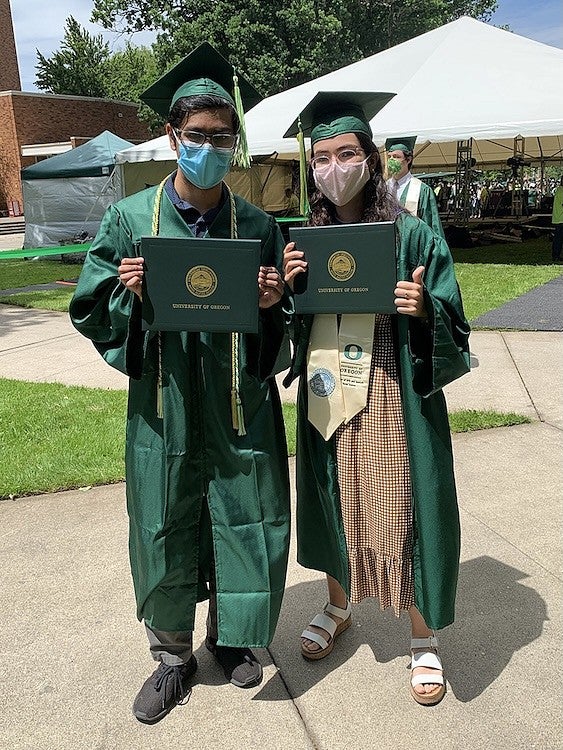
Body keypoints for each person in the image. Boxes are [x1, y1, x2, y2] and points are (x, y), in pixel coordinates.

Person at [69, 42, 291, 724]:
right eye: (197, 136)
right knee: (164, 519)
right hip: (164, 405)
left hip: (236, 404)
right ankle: (171, 657)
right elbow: (90, 305)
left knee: (243, 513)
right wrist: (126, 295)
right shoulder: (130, 220)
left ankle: (232, 638)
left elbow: (283, 322)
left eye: (223, 138)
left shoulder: (257, 226)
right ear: (172, 136)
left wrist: (270, 302)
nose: (210, 148)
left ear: (233, 143)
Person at [283, 92, 470, 706]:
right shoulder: (306, 240)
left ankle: (422, 637)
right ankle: (339, 609)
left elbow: (451, 313)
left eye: (347, 154)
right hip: (329, 380)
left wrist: (425, 310)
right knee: (336, 497)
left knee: (402, 504)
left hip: (392, 386)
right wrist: (288, 290)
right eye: (322, 157)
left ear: (372, 159)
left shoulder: (411, 234)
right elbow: (290, 323)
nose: (334, 168)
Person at [385, 136, 445, 237]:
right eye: (389, 156)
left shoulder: (422, 190)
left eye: (396, 157)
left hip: (412, 244)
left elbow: (431, 225)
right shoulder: (383, 188)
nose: (391, 160)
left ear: (408, 159)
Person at [551, 176, 563, 261]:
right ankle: (556, 255)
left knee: (558, 238)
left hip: (558, 218)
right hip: (561, 218)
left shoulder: (559, 190)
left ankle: (556, 255)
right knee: (558, 239)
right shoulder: (561, 191)